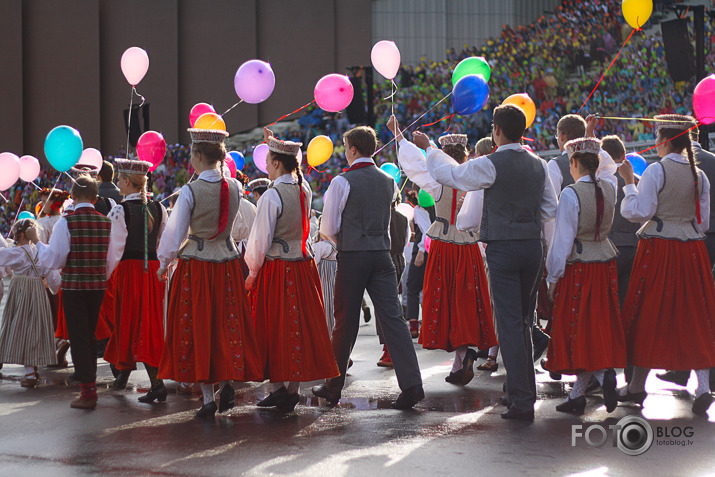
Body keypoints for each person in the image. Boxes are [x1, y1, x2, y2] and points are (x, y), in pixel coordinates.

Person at [425, 104, 558, 421]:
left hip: (503, 247)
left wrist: (428, 149)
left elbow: (451, 175)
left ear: (496, 131)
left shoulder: (490, 163)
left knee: (510, 324)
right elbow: (550, 209)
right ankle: (522, 390)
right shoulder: (539, 165)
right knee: (524, 321)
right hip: (531, 246)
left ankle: (522, 399)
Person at [314, 125, 424, 410]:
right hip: (382, 254)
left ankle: (333, 386)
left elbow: (327, 228)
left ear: (352, 149)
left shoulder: (342, 181)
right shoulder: (388, 180)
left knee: (344, 322)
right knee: (394, 321)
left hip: (353, 255)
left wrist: (347, 242)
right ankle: (412, 385)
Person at [157, 127, 263, 419]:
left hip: (198, 264)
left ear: (199, 155)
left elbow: (175, 234)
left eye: (192, 153)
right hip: (228, 261)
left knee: (200, 325)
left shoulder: (190, 191)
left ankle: (207, 398)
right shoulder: (235, 187)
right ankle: (226, 383)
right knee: (226, 323)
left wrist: (163, 263)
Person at [387, 115, 497, 385]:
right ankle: (461, 359)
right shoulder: (474, 175)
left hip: (445, 243)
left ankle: (461, 359)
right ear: (465, 154)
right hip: (469, 244)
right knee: (467, 299)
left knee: (448, 299)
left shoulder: (437, 181)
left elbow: (416, 166)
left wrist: (400, 136)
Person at [617, 114, 715, 416]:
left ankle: (635, 386)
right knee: (695, 313)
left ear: (663, 141)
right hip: (691, 249)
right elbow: (703, 222)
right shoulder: (699, 175)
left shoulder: (656, 171)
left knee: (647, 311)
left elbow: (639, 211)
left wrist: (629, 184)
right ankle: (703, 386)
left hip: (658, 248)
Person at [245, 131, 339, 413]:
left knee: (273, 324)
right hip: (302, 264)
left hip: (277, 267)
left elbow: (261, 238)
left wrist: (252, 271)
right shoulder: (304, 188)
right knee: (299, 325)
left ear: (275, 163)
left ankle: (277, 388)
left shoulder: (271, 195)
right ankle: (292, 389)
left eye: (269, 159)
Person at [544, 137, 625, 415]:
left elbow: (563, 240)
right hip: (604, 260)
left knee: (578, 326)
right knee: (597, 325)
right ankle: (579, 394)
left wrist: (553, 277)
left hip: (579, 264)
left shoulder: (570, 193)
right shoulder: (611, 187)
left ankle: (601, 378)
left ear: (575, 162)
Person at [32, 175, 112, 409]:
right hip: (97, 286)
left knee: (78, 338)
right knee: (89, 334)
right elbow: (111, 259)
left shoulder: (66, 223)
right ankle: (90, 385)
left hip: (74, 287)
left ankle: (88, 392)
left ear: (73, 197)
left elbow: (55, 260)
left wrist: (36, 242)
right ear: (96, 198)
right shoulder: (107, 222)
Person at [104, 158, 169, 402]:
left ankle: (154, 382)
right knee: (148, 322)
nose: (117, 181)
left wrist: (105, 276)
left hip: (130, 272)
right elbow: (164, 242)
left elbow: (115, 250)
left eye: (120, 178)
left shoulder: (121, 210)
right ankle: (125, 374)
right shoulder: (158, 208)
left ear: (128, 182)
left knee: (129, 321)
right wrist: (162, 267)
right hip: (152, 271)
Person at [656, 131, 715, 391]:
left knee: (685, 304)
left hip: (690, 239)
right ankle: (704, 376)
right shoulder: (709, 161)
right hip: (700, 238)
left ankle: (681, 369)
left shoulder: (668, 167)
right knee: (702, 307)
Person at [0, 219, 61, 387]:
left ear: (19, 234)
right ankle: (31, 369)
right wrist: (54, 288)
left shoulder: (16, 253)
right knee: (34, 328)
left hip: (20, 291)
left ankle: (23, 369)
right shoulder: (42, 251)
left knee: (16, 326)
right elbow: (54, 277)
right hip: (38, 291)